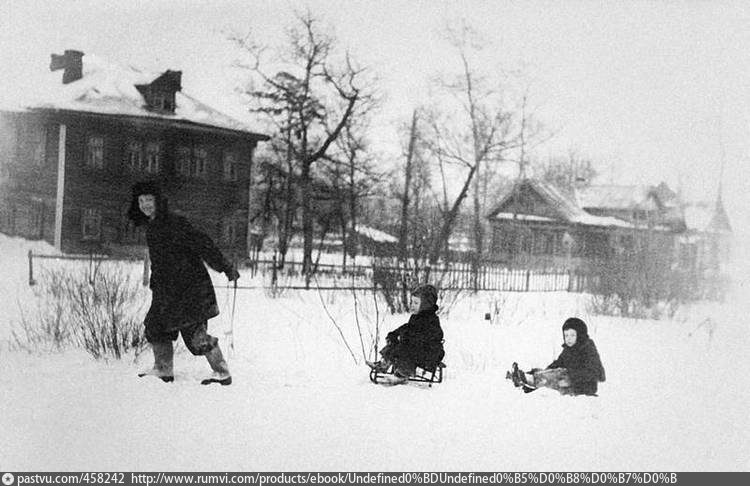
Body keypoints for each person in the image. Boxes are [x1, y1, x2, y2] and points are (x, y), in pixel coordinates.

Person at [128, 181, 240, 386]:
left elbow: (202, 242)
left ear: (158, 202)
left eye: (149, 200)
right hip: (167, 291)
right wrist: (156, 284)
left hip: (190, 288)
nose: (145, 205)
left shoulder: (174, 222)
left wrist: (225, 266)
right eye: (141, 200)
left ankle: (222, 372)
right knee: (155, 327)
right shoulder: (152, 227)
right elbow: (160, 262)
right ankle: (163, 369)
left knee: (195, 337)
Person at [367, 284, 445, 384]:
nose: (412, 305)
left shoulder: (431, 321)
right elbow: (407, 327)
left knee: (406, 348)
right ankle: (384, 363)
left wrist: (408, 338)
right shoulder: (416, 317)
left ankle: (402, 374)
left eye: (416, 303)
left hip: (429, 353)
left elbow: (431, 336)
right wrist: (395, 333)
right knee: (397, 343)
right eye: (412, 302)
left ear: (426, 305)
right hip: (416, 348)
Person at [511, 317, 605, 396]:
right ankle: (527, 378)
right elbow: (559, 363)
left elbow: (595, 372)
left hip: (582, 387)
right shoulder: (568, 349)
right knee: (552, 372)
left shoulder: (588, 349)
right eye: (566, 335)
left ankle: (531, 381)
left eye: (572, 335)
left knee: (559, 374)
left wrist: (571, 379)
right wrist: (546, 370)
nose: (569, 338)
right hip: (568, 380)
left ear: (580, 335)